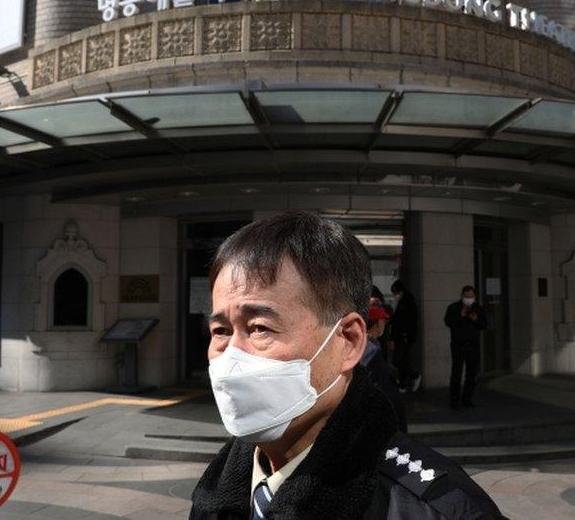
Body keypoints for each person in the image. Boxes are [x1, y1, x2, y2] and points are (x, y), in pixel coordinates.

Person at [190, 212, 505, 520]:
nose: (231, 358)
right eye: (221, 331)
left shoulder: (439, 508)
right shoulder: (217, 489)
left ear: (349, 341)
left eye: (259, 328)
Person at [362, 305, 407, 432]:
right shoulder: (369, 347)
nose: (385, 324)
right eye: (383, 321)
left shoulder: (371, 343)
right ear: (376, 323)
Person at [444, 286, 487, 409]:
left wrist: (476, 319)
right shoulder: (453, 307)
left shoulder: (478, 308)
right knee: (456, 373)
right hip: (458, 346)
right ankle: (454, 401)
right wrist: (461, 316)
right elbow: (448, 322)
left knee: (472, 374)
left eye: (471, 296)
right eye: (467, 296)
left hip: (473, 346)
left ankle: (467, 399)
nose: (469, 299)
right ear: (462, 296)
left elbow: (484, 325)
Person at [389, 281, 421, 393]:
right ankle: (402, 385)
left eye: (395, 293)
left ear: (400, 292)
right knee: (403, 361)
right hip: (404, 336)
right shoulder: (403, 303)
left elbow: (403, 322)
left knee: (397, 361)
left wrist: (400, 336)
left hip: (403, 337)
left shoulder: (407, 304)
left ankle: (414, 376)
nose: (394, 295)